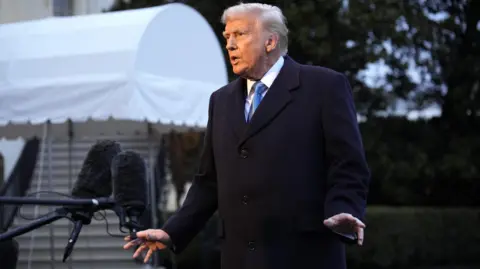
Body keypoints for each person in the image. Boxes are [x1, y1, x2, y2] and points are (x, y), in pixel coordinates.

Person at [123, 3, 370, 269]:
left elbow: (348, 165)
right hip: (239, 258)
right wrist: (172, 232)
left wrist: (344, 208)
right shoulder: (221, 100)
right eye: (227, 37)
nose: (229, 44)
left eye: (239, 34)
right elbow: (209, 182)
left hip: (304, 255)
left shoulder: (324, 87)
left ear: (270, 41)